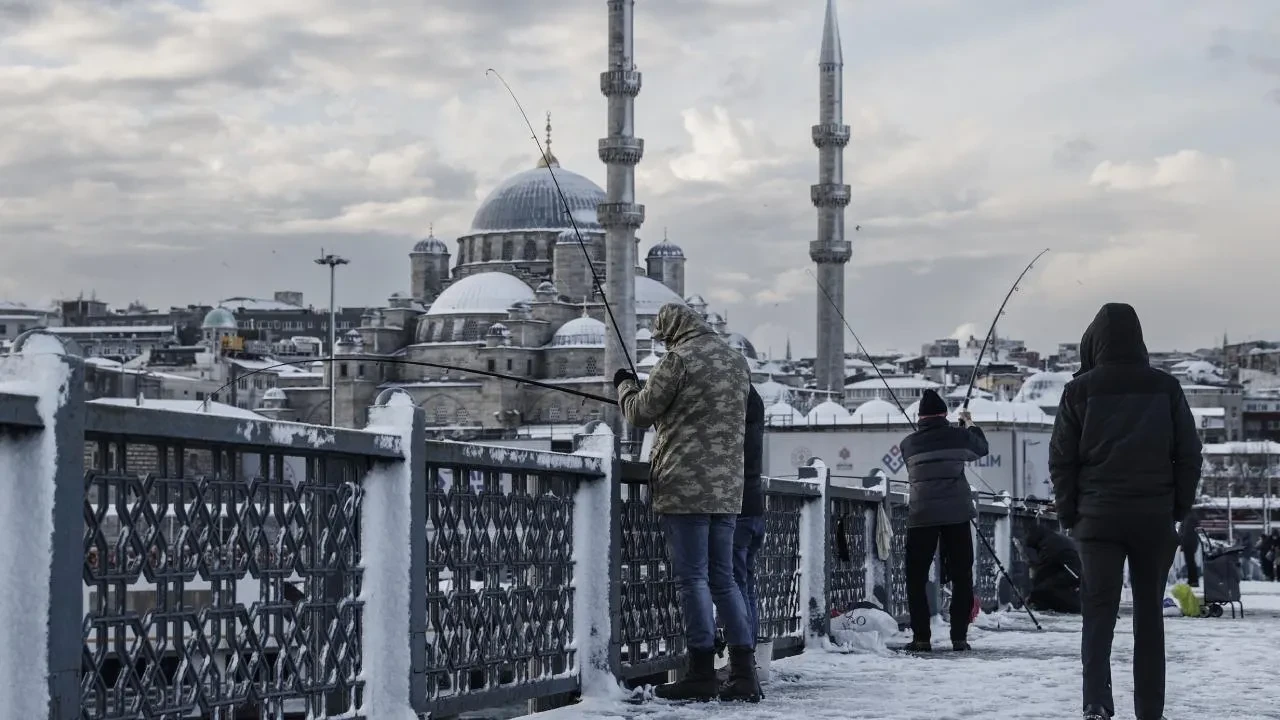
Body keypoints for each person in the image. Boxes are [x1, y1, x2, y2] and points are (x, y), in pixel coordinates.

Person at [1049, 303, 1201, 720]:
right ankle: (1150, 709)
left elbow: (1062, 458)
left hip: (1097, 518)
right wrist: (1178, 508)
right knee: (1150, 616)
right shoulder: (1166, 387)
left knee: (1098, 614)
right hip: (1153, 517)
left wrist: (1069, 515)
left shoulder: (1079, 390)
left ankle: (1096, 702)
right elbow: (1189, 453)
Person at [614, 302, 759, 703]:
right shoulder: (736, 362)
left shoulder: (677, 360)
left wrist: (624, 384)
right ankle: (745, 674)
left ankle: (700, 671)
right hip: (729, 490)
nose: (662, 345)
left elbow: (641, 413)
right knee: (724, 579)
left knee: (692, 578)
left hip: (685, 485)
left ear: (672, 331)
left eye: (662, 338)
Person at [899, 388, 989, 653]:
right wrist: (969, 425)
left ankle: (921, 638)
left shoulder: (908, 443)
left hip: (921, 515)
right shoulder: (958, 436)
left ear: (920, 417)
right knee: (962, 574)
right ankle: (959, 637)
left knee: (915, 577)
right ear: (944, 414)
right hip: (956, 513)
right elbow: (980, 449)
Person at [1023, 523, 1083, 614]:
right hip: (1073, 569)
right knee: (1047, 587)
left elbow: (1043, 570)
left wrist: (1033, 594)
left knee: (1044, 588)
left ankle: (1076, 607)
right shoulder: (1051, 538)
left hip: (1072, 572)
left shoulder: (1047, 544)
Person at [1178, 507, 1201, 587]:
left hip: (1189, 543)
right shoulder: (1190, 516)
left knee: (1190, 561)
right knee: (1190, 561)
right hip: (1190, 542)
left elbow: (1186, 531)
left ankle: (1193, 580)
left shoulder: (1189, 517)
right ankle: (1192, 580)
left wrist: (1181, 539)